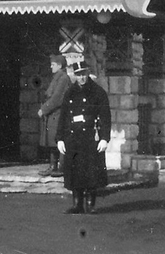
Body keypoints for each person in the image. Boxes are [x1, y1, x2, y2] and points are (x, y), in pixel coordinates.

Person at [57, 57, 111, 214]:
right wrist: (60, 138)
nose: (81, 77)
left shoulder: (98, 93)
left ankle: (90, 204)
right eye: (78, 74)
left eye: (84, 74)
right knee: (74, 171)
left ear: (88, 73)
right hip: (73, 138)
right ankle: (77, 204)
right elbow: (64, 116)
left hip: (90, 138)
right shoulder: (70, 92)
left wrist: (104, 138)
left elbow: (105, 117)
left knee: (91, 171)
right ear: (75, 74)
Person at [37, 53, 70, 174]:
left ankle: (61, 168)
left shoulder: (63, 78)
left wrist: (44, 109)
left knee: (58, 141)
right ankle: (53, 166)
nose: (51, 67)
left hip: (58, 114)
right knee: (51, 141)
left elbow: (57, 98)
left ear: (60, 65)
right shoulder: (57, 77)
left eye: (53, 65)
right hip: (52, 115)